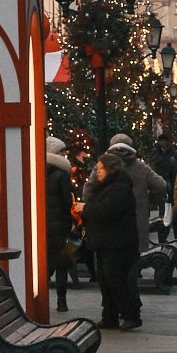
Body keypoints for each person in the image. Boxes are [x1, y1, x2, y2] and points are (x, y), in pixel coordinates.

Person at [80, 155, 141, 331]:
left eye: (100, 168)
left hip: (118, 242)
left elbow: (107, 210)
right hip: (106, 241)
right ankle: (110, 316)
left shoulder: (119, 187)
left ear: (110, 169)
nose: (97, 172)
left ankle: (131, 315)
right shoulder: (108, 186)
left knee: (115, 280)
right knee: (106, 281)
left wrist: (85, 208)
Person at [44, 137, 75, 313]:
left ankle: (40, 294)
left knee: (46, 264)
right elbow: (66, 202)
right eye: (62, 151)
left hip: (43, 226)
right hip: (60, 226)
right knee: (62, 263)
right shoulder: (61, 175)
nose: (65, 154)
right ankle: (61, 301)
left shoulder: (39, 171)